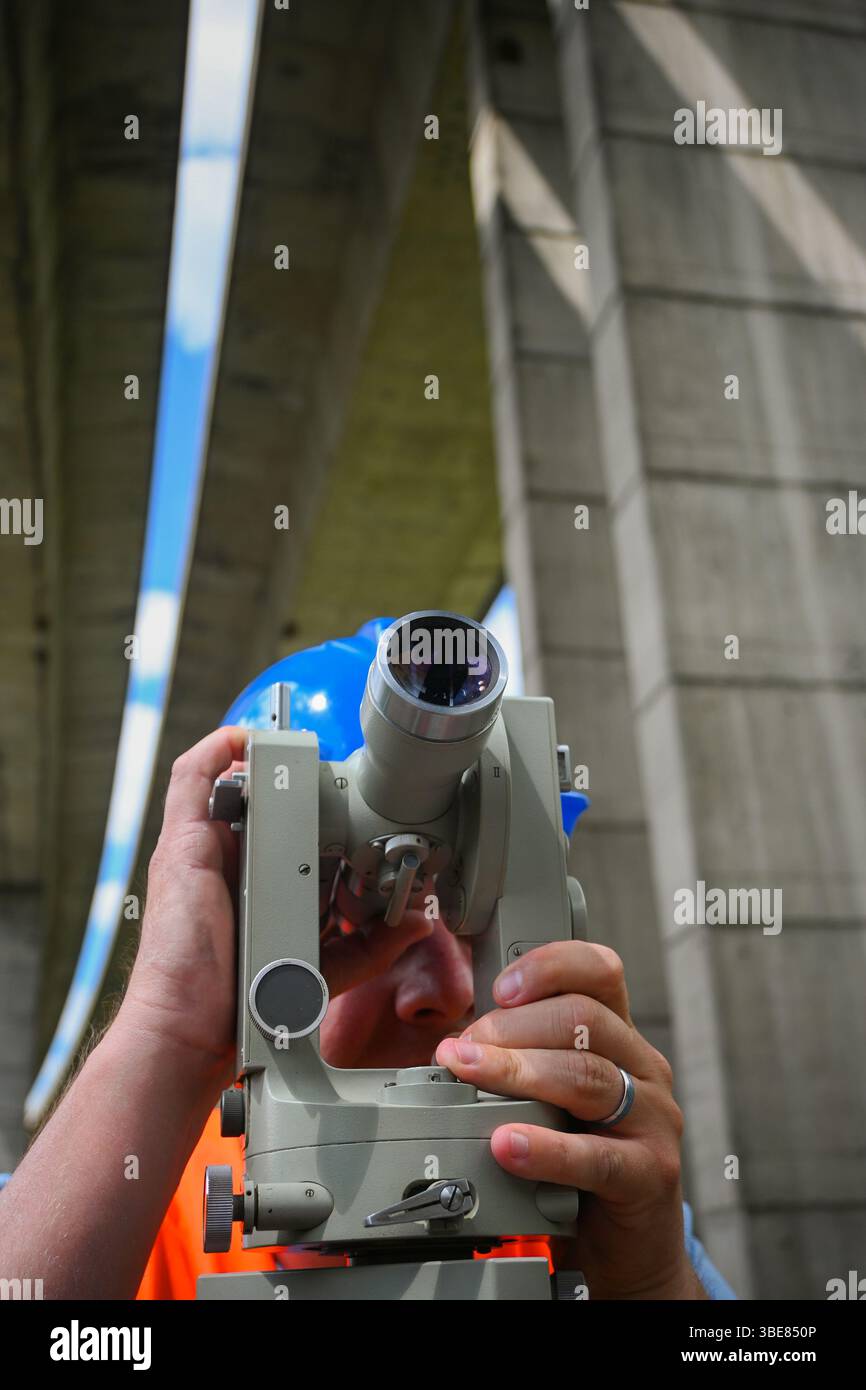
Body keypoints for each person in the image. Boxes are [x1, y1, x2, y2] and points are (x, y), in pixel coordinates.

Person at [0, 728, 734, 1300]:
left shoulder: (589, 1200)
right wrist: (167, 1035)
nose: (446, 990)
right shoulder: (123, 1189)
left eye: (475, 929)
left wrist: (649, 1287)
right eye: (371, 925)